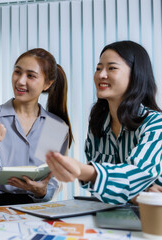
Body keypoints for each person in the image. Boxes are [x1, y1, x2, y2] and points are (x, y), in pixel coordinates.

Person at [46, 40, 162, 205]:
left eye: (112, 68)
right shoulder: (98, 125)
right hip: (115, 215)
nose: (101, 75)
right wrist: (137, 195)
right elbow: (100, 190)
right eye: (98, 68)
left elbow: (137, 174)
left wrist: (83, 170)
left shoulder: (156, 123)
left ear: (136, 74)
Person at [0, 48, 73, 206]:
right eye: (17, 72)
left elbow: (52, 182)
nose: (20, 81)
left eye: (30, 75)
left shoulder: (54, 127)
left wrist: (42, 191)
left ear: (47, 84)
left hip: (40, 209)